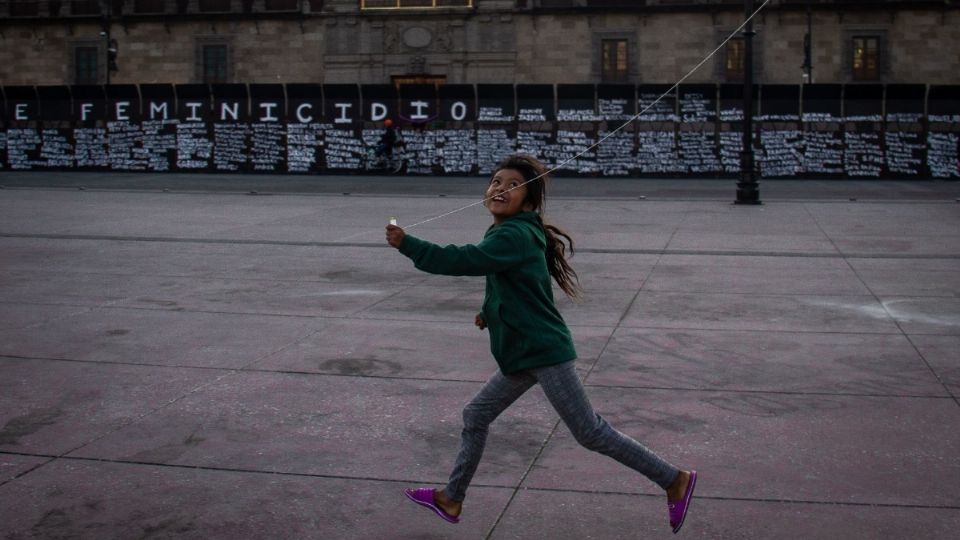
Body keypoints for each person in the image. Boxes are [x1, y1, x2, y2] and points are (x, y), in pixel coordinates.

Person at [385, 154, 697, 534]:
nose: (500, 188)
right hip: (523, 355)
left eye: (512, 185)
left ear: (529, 202)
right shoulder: (510, 231)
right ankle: (451, 498)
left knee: (590, 431)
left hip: (543, 353)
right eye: (496, 181)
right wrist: (490, 311)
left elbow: (467, 260)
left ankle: (674, 479)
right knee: (476, 415)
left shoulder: (514, 234)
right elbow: (510, 281)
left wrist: (409, 245)